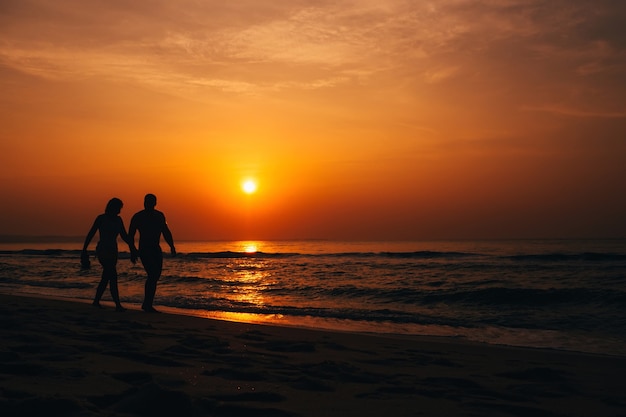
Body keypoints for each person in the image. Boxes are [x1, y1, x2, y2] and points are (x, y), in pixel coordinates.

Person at [82, 197, 137, 312]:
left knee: (106, 276)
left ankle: (96, 301)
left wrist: (133, 248)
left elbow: (124, 236)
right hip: (103, 250)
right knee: (112, 275)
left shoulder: (119, 220)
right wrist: (84, 249)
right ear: (113, 207)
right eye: (118, 208)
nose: (120, 211)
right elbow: (91, 233)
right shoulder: (101, 218)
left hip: (113, 251)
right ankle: (117, 305)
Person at [129, 193, 176, 313]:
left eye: (151, 202)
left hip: (156, 249)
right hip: (144, 249)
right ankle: (147, 304)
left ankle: (147, 303)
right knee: (152, 274)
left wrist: (172, 246)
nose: (148, 204)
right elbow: (131, 235)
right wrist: (133, 250)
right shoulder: (138, 216)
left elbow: (166, 231)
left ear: (155, 203)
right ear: (144, 203)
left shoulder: (159, 216)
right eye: (146, 202)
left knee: (155, 276)